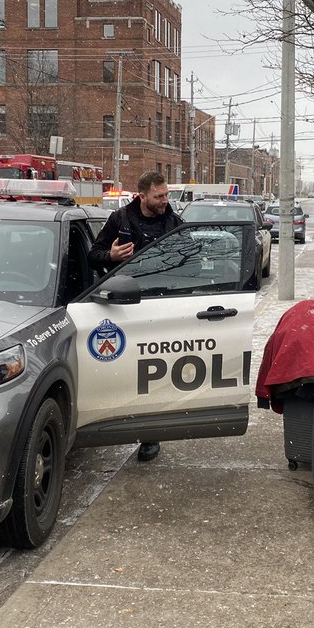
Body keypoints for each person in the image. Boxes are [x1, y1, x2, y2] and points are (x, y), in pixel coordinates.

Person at [88, 171, 184, 462]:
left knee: (153, 372)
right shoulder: (119, 219)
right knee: (128, 368)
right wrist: (112, 256)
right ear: (142, 196)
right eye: (159, 196)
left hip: (162, 305)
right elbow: (94, 254)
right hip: (125, 304)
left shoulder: (174, 222)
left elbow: (191, 256)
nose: (165, 201)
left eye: (166, 195)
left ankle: (149, 435)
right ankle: (114, 422)